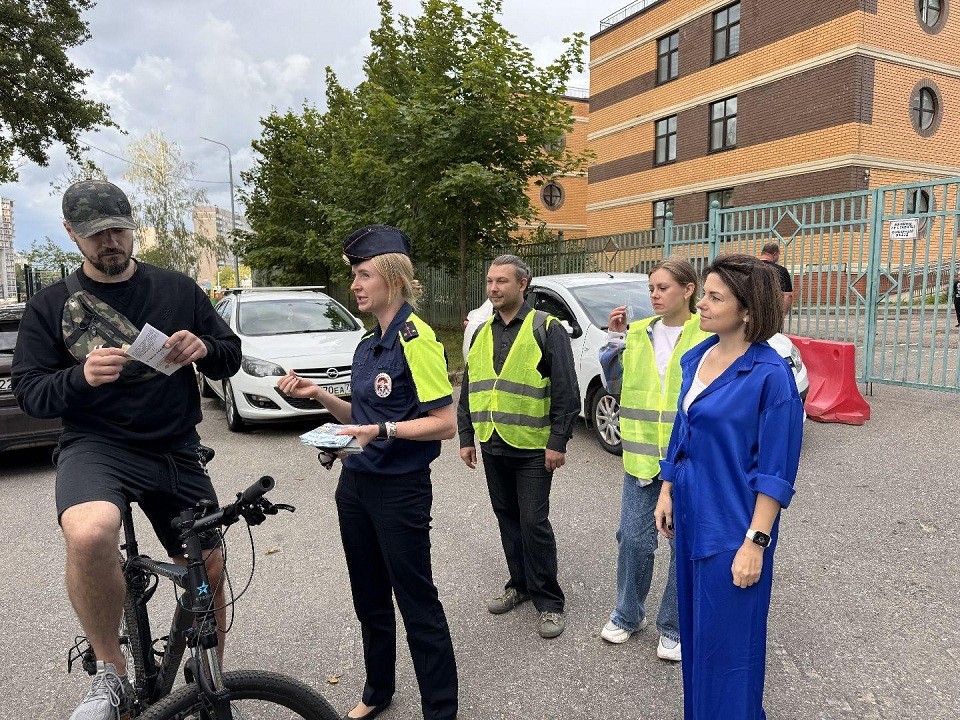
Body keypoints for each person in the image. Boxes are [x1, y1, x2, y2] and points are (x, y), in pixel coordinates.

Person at [11, 180, 241, 720]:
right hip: (97, 446)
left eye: (118, 230)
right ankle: (110, 672)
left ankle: (210, 675)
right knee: (90, 532)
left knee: (207, 564)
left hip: (175, 447)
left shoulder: (179, 289)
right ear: (71, 234)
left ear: (132, 225)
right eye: (96, 235)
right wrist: (79, 378)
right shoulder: (51, 305)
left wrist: (206, 348)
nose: (110, 242)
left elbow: (231, 358)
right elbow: (30, 392)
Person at [277, 225, 458, 720]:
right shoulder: (366, 343)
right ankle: (378, 690)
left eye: (363, 274)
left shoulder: (416, 340)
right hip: (355, 485)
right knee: (369, 597)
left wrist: (381, 432)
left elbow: (444, 424)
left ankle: (441, 711)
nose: (354, 284)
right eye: (353, 275)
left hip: (400, 491)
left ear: (394, 279)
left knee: (416, 602)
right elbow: (358, 420)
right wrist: (318, 396)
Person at [654, 254, 804, 720]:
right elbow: (684, 430)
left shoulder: (770, 375)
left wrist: (756, 543)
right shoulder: (698, 356)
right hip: (693, 522)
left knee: (731, 653)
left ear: (748, 310)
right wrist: (667, 488)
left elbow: (777, 471)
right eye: (706, 294)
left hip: (734, 531)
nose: (702, 304)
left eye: (716, 297)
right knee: (699, 642)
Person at [457, 254, 579, 639]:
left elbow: (566, 392)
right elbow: (470, 390)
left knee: (532, 522)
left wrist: (558, 442)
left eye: (502, 282)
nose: (493, 288)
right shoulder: (480, 332)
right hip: (493, 442)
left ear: (523, 284)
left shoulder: (547, 328)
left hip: (532, 448)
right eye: (490, 281)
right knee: (506, 516)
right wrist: (466, 437)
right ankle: (520, 584)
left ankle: (549, 601)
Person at [597, 257, 710, 661]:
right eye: (651, 288)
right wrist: (613, 342)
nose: (655, 295)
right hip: (643, 458)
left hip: (690, 460)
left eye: (663, 287)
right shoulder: (640, 331)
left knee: (683, 544)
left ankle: (673, 626)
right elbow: (616, 384)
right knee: (632, 538)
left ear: (688, 289)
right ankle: (629, 615)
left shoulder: (707, 332)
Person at [759, 242, 794, 316]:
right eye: (778, 254)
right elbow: (788, 296)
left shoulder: (749, 267)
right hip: (771, 314)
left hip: (752, 313)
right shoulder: (781, 270)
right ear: (775, 254)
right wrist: (782, 316)